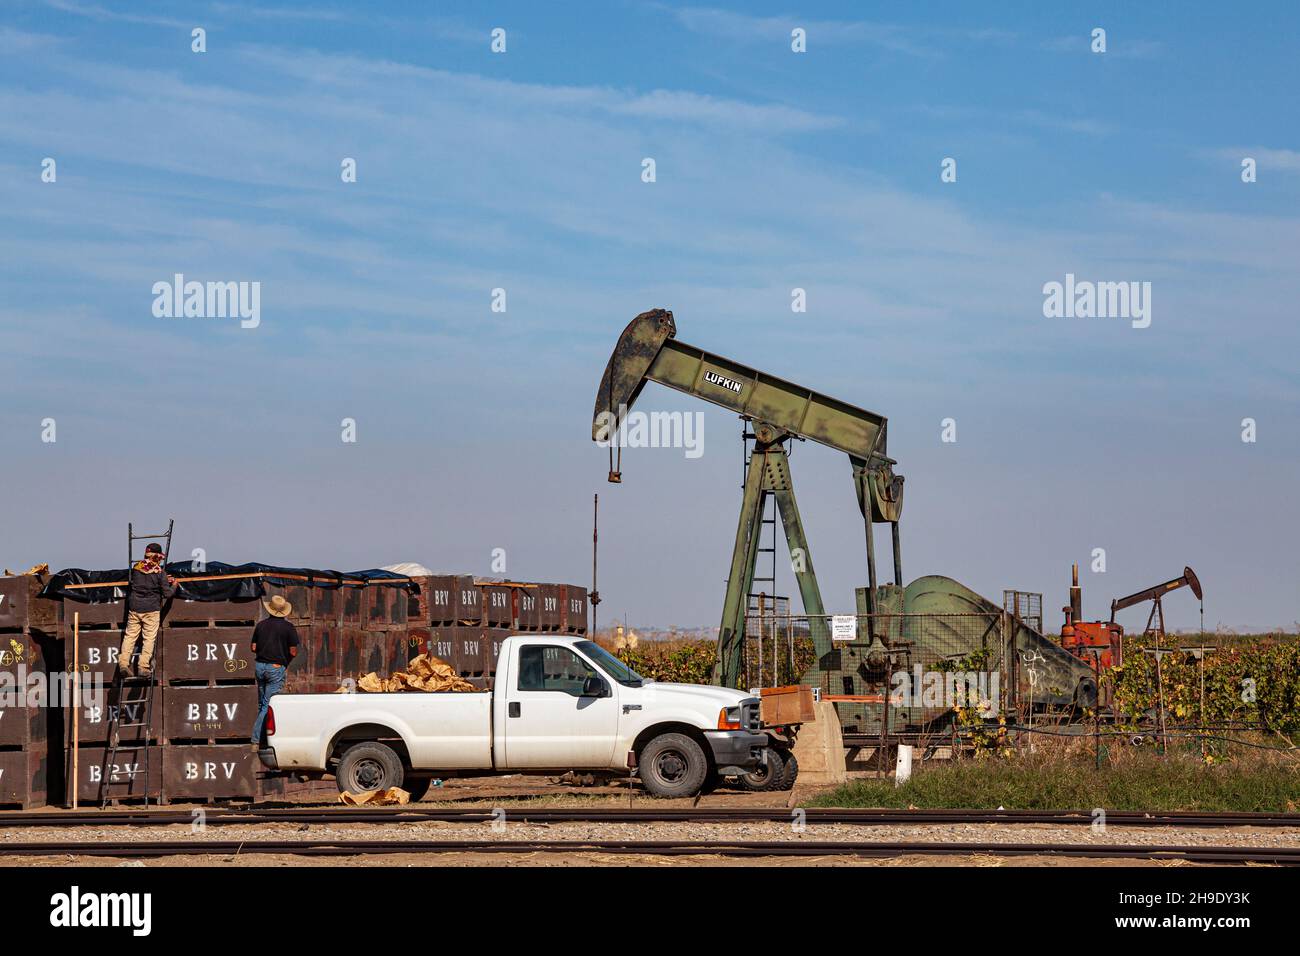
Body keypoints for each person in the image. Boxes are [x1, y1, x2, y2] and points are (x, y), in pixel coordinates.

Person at [118, 543, 176, 679]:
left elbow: (144, 580)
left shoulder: (136, 568)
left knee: (130, 637)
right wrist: (173, 585)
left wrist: (162, 580)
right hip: (151, 610)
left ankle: (123, 664)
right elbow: (167, 593)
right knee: (148, 639)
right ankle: (143, 667)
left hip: (134, 608)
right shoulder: (160, 573)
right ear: (158, 556)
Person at [250, 594, 299, 750]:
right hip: (275, 668)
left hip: (259, 667)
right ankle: (256, 740)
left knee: (262, 704)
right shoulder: (288, 628)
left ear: (270, 609)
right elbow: (293, 652)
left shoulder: (261, 625)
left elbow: (253, 648)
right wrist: (283, 663)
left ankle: (263, 739)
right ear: (284, 611)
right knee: (268, 705)